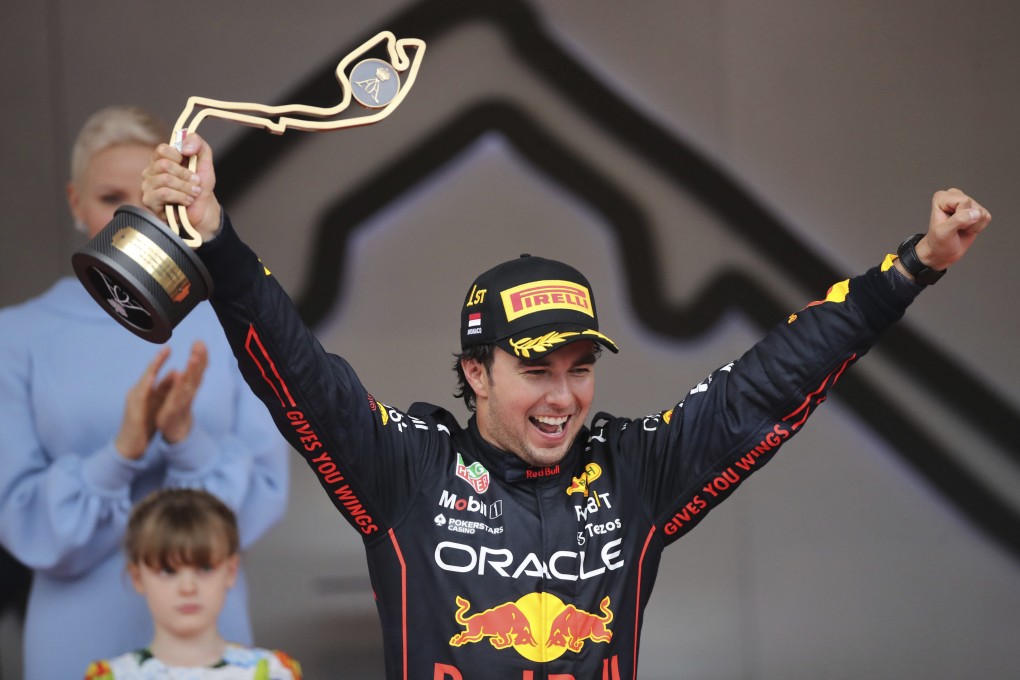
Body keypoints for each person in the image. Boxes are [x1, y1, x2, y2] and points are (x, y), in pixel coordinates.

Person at [141, 131, 990, 680]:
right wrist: (216, 239)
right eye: (537, 369)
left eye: (582, 368)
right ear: (475, 372)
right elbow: (296, 366)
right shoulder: (405, 468)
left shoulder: (634, 471)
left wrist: (910, 268)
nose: (565, 396)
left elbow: (767, 383)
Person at [0, 107, 290, 680]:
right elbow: (18, 515)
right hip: (73, 637)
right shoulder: (16, 336)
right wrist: (122, 452)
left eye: (149, 194)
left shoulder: (231, 323)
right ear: (75, 202)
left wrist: (186, 439)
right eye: (111, 198)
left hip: (210, 639)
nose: (133, 215)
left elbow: (264, 491)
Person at [83, 488, 302, 679]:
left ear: (231, 570)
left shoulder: (273, 673)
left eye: (205, 568)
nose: (188, 588)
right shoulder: (111, 677)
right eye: (168, 571)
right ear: (137, 577)